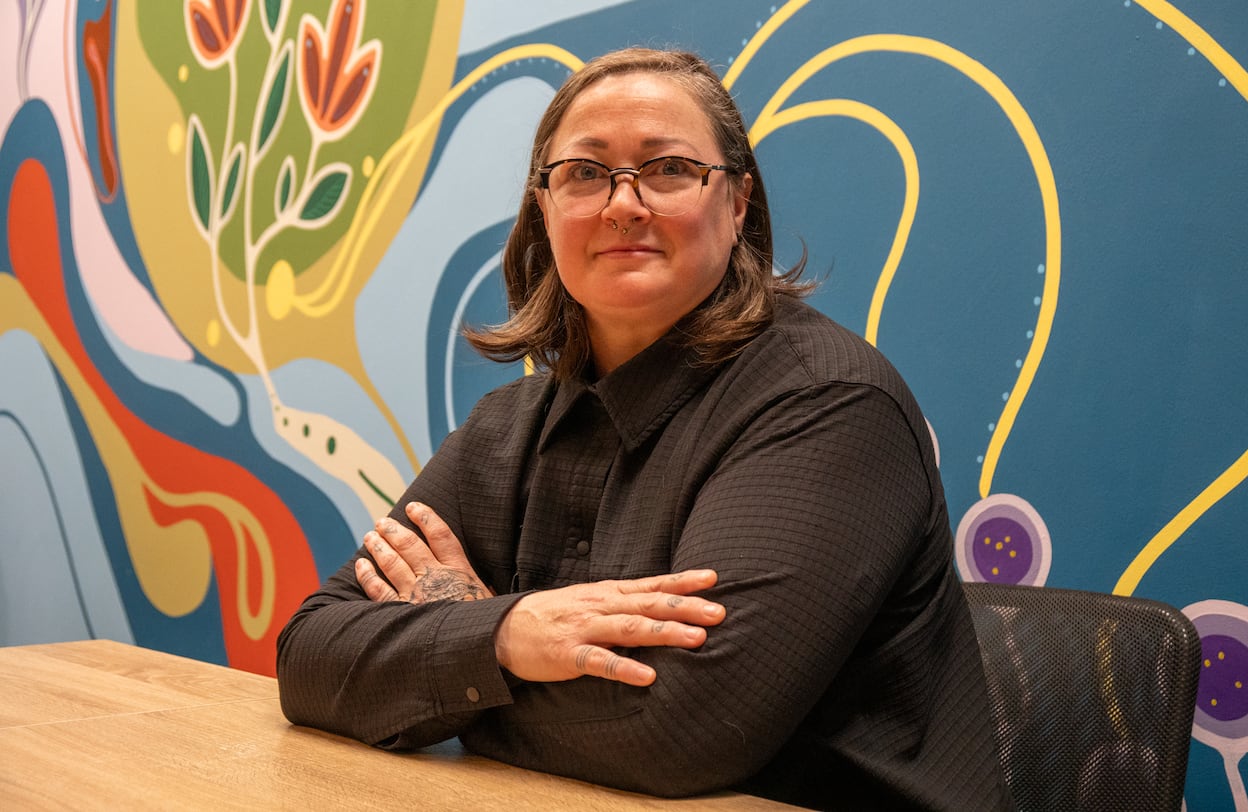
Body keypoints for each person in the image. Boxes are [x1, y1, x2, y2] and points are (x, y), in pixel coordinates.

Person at [276, 47, 1012, 811]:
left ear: (736, 205)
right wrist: (506, 636)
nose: (623, 204)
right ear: (545, 211)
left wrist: (458, 637)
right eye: (585, 174)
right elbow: (308, 658)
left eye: (667, 170)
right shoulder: (504, 429)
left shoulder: (828, 403)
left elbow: (677, 732)